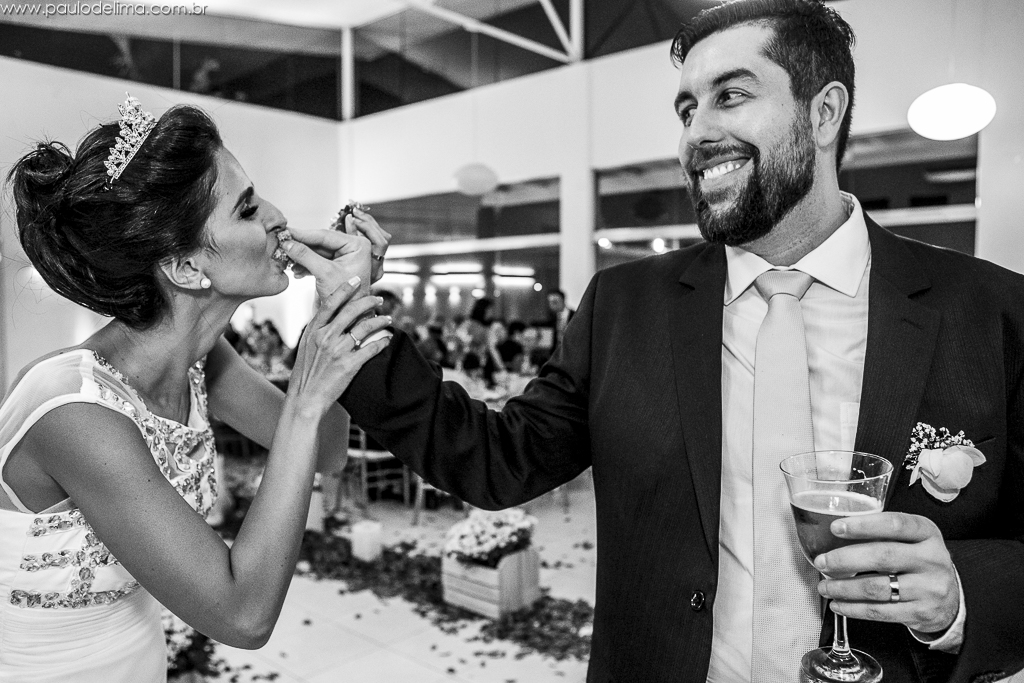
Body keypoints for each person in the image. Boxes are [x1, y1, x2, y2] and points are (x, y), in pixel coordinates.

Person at [285, 1, 1024, 681]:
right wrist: (352, 308)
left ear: (824, 112)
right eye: (687, 108)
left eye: (731, 96)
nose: (695, 134)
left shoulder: (990, 312)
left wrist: (962, 597)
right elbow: (495, 458)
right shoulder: (626, 306)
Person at [0, 96, 389, 682]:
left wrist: (340, 303)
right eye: (248, 208)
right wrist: (305, 399)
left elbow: (330, 448)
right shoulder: (74, 413)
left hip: (141, 662)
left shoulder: (203, 361)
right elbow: (243, 617)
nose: (278, 217)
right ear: (184, 268)